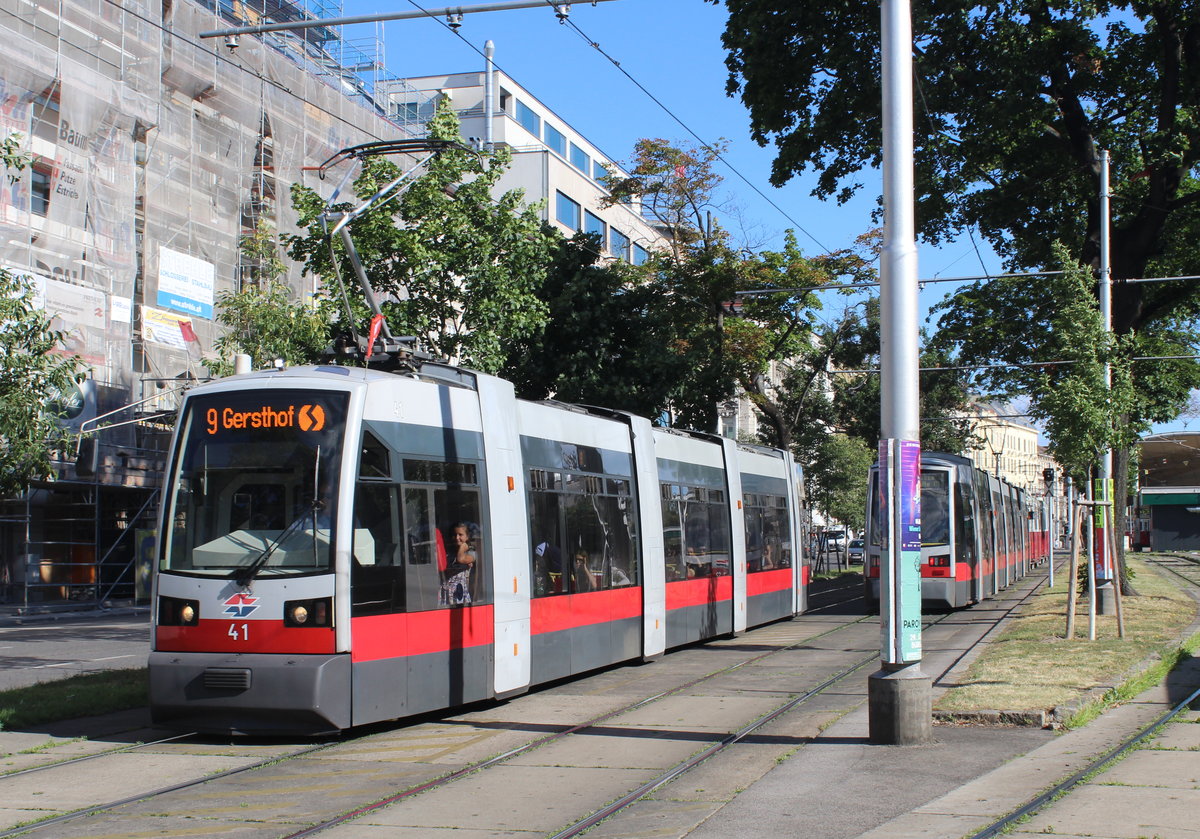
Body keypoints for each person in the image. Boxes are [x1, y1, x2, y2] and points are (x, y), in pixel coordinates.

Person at [439, 522, 476, 606]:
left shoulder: (471, 552)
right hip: (446, 592)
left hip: (459, 593)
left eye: (460, 535)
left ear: (467, 536)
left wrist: (463, 547)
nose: (457, 538)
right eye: (455, 535)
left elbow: (461, 559)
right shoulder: (449, 552)